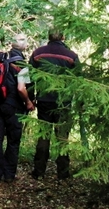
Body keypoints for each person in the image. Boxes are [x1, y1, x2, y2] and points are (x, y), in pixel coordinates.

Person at [29, 27, 79, 180]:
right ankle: (63, 172)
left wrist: (31, 98)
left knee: (44, 135)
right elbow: (79, 80)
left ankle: (39, 171)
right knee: (63, 137)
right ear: (63, 37)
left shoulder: (38, 53)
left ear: (48, 36)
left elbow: (29, 77)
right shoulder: (71, 56)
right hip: (64, 102)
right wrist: (79, 101)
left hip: (44, 100)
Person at [0, 33, 35, 183]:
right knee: (13, 141)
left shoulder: (1, 58)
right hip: (14, 107)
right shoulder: (22, 64)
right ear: (24, 46)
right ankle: (8, 174)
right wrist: (28, 102)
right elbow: (21, 88)